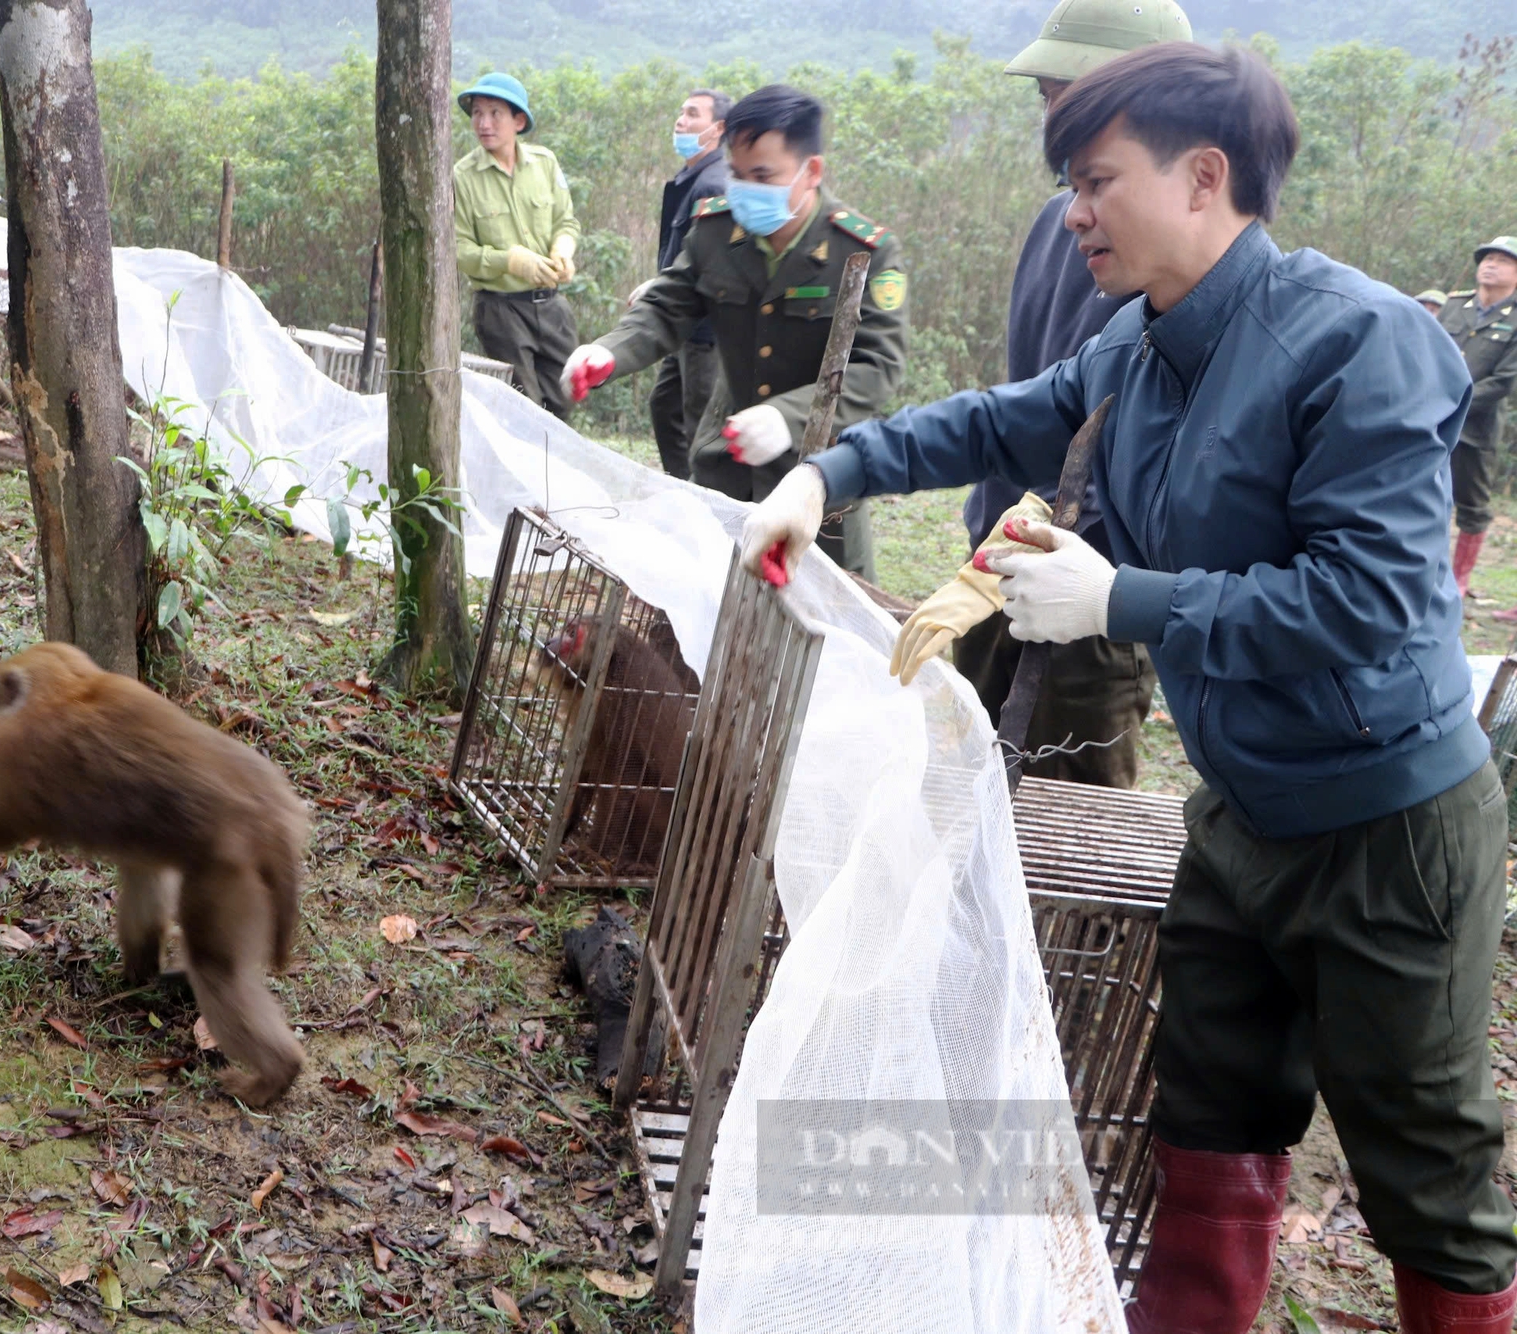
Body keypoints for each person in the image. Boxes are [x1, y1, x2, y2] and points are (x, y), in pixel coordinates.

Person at [740, 44, 1516, 1333]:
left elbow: (1371, 599)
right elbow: (999, 419)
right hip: (1240, 811)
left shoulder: (1359, 341)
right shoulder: (1136, 342)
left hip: (1384, 828)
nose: (1074, 211)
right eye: (1068, 184)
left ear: (1202, 177)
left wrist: (1122, 601)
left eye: (1095, 180)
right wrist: (829, 473)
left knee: (1423, 1167)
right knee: (1207, 1124)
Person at [904, 0, 1189, 789]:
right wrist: (989, 553)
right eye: (1048, 97)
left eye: (1077, 94)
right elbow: (1032, 397)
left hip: (1092, 590)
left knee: (1070, 833)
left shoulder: (1189, 258)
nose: (1056, 118)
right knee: (966, 800)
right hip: (1000, 560)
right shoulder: (1053, 223)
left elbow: (1158, 444)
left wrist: (1047, 549)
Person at [559, 84, 907, 579]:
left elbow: (879, 366)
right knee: (709, 605)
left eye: (763, 176)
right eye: (737, 175)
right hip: (728, 468)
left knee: (816, 625)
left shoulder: (864, 252)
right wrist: (608, 352)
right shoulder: (717, 230)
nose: (744, 190)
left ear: (811, 171)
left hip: (820, 486)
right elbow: (666, 305)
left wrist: (787, 418)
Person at [452, 72, 581, 419]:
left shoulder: (544, 163)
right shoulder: (462, 177)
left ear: (518, 120)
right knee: (521, 409)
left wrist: (563, 249)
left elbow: (566, 222)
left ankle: (554, 473)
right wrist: (510, 261)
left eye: (495, 113)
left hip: (552, 307)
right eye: (477, 113)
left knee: (565, 401)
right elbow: (458, 249)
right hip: (501, 310)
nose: (484, 123)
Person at [645, 89, 733, 479]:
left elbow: (709, 264)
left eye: (692, 114)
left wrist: (660, 288)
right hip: (682, 326)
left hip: (703, 331)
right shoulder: (691, 179)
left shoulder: (713, 185)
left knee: (700, 425)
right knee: (665, 407)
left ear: (718, 129)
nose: (680, 121)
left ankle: (705, 506)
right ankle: (681, 492)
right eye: (680, 112)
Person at [1439, 236, 1517, 606]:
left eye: (1503, 260)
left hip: (1476, 429)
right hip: (1431, 420)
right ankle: (1429, 570)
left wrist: (1456, 402)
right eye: (1487, 258)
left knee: (1472, 505)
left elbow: (1504, 381)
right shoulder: (1455, 306)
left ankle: (1459, 579)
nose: (1490, 264)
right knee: (1426, 495)